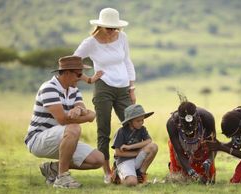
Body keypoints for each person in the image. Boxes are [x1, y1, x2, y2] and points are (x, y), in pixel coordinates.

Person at [73, 7, 136, 183]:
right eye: (108, 27)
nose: (112, 31)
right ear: (100, 26)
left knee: (132, 126)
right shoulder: (90, 42)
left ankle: (126, 167)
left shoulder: (122, 37)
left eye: (114, 27)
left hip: (124, 88)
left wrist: (132, 88)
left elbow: (127, 61)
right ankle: (107, 172)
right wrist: (88, 79)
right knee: (104, 129)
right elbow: (73, 61)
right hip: (103, 88)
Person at [23, 56, 105, 188]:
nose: (81, 77)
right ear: (67, 73)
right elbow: (63, 120)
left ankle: (53, 168)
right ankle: (62, 178)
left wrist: (78, 109)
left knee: (98, 160)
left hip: (62, 137)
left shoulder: (74, 90)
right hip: (38, 139)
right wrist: (90, 116)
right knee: (74, 127)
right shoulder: (49, 88)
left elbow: (84, 110)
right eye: (79, 74)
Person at [166, 101, 217, 184]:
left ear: (198, 118)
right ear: (179, 121)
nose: (190, 128)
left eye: (193, 124)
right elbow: (179, 152)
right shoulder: (172, 124)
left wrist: (209, 161)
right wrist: (191, 172)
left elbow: (214, 146)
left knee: (209, 179)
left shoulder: (207, 119)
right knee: (180, 178)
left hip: (202, 147)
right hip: (182, 148)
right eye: (185, 126)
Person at [111, 104, 158, 186]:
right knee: (132, 183)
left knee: (153, 146)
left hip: (137, 160)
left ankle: (141, 173)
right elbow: (117, 153)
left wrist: (130, 147)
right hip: (124, 161)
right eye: (138, 121)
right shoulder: (121, 132)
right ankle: (118, 174)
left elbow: (149, 140)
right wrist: (136, 153)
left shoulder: (142, 129)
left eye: (142, 120)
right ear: (130, 121)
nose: (141, 123)